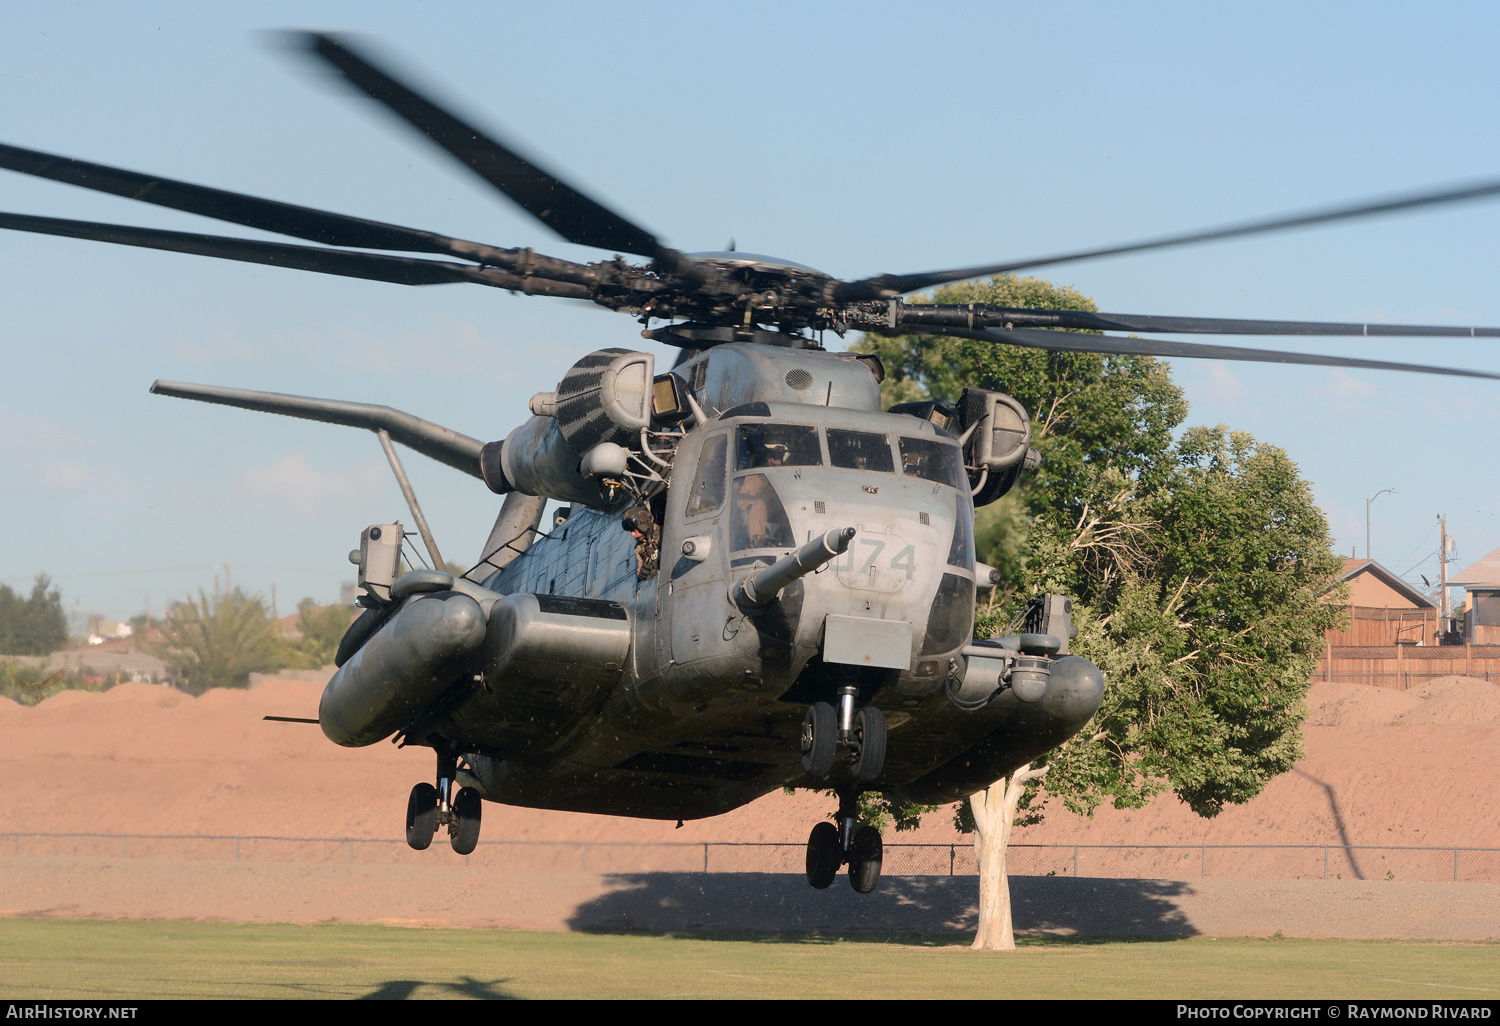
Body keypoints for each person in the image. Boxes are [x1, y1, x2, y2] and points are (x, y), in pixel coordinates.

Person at [621, 506, 660, 580]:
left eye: (634, 530)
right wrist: (644, 573)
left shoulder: (661, 530)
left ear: (642, 526)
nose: (632, 534)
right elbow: (641, 577)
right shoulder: (639, 548)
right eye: (630, 531)